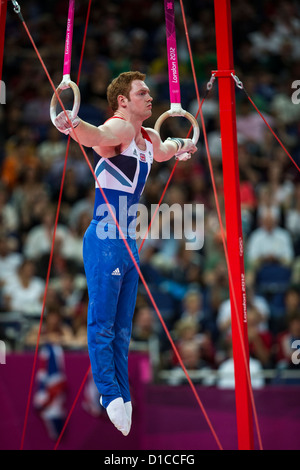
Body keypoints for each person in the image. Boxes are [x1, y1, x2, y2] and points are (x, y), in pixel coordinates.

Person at [53, 71, 197, 436]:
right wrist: (70, 122)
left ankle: (123, 394)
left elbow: (165, 151)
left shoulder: (147, 138)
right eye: (142, 93)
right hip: (104, 238)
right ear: (123, 101)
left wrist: (185, 145)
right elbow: (94, 136)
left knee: (122, 328)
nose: (150, 97)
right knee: (103, 323)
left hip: (128, 242)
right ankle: (107, 392)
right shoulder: (119, 128)